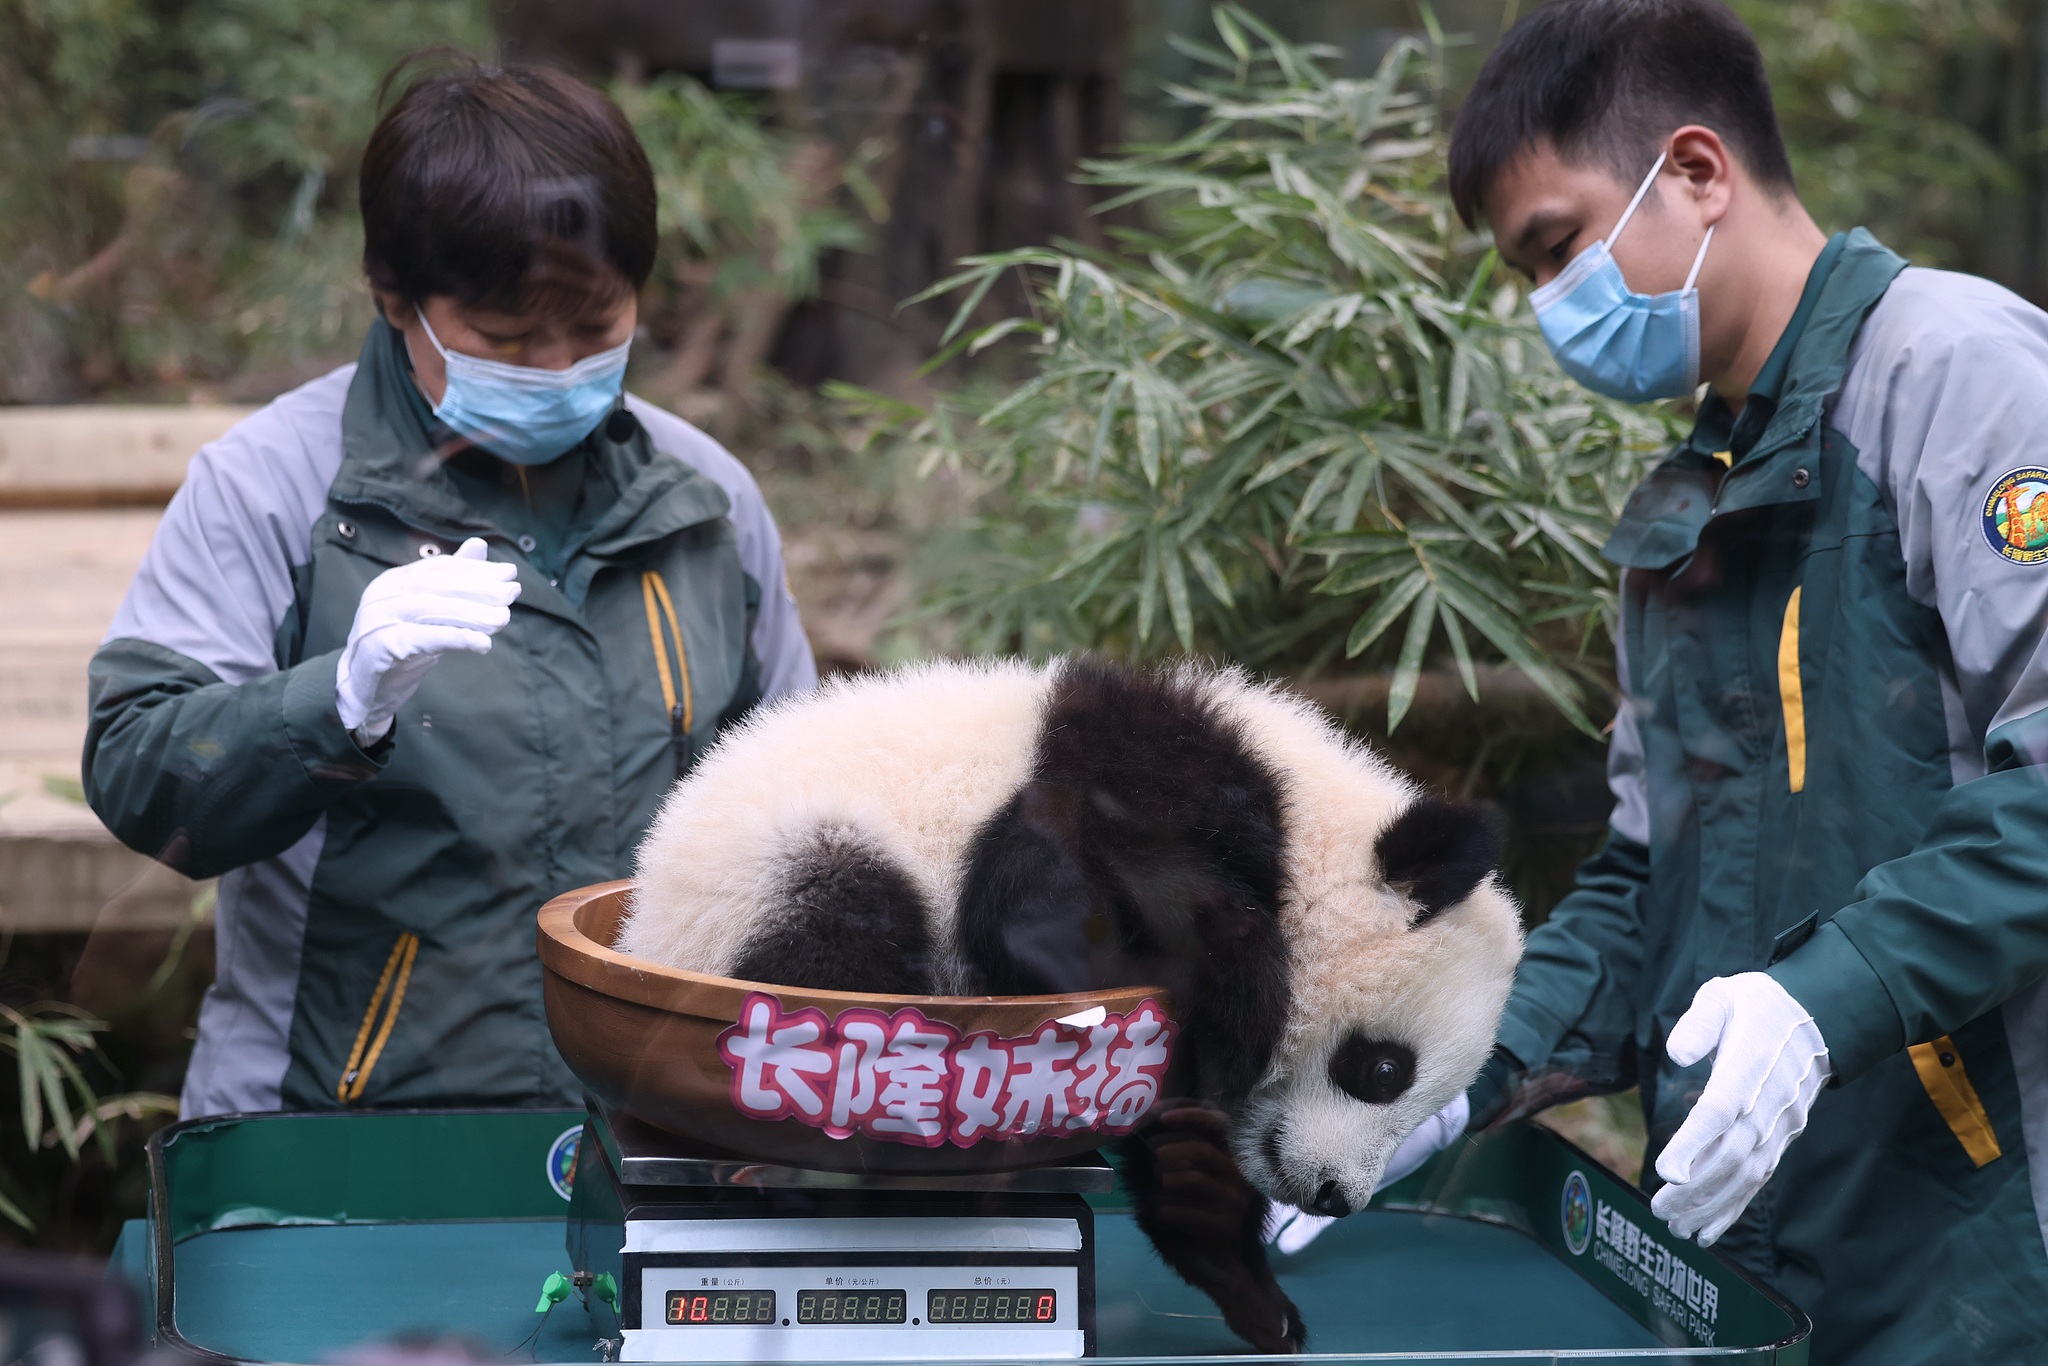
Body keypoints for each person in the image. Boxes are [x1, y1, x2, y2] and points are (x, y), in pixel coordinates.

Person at [1280, 2, 2048, 1361]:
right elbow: (1651, 873)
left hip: (1977, 1237)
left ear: (1695, 172)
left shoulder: (1960, 378)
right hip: (1742, 1243)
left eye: (1557, 246)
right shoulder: (1681, 508)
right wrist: (1455, 1069)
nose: (1548, 309)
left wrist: (1827, 999)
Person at [82, 61, 816, 1118]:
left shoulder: (705, 502)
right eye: (507, 341)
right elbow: (140, 776)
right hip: (338, 1139)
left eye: (596, 327)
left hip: (657, 1131)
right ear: (395, 300)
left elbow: (796, 810)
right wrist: (332, 703)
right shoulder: (273, 487)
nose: (558, 366)